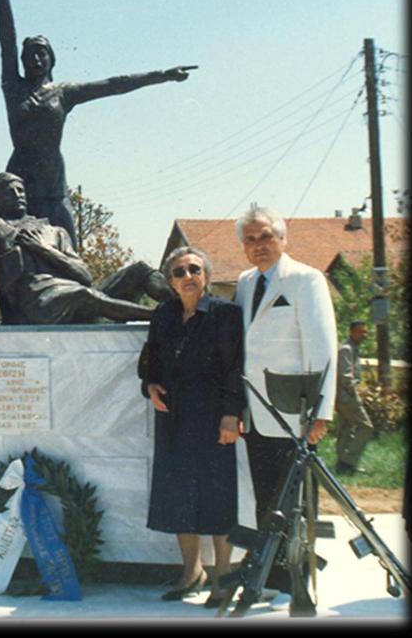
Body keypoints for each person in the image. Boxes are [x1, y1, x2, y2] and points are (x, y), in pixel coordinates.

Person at [0, 0, 193, 249]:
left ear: (51, 59)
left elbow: (115, 84)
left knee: (70, 247)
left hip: (53, 180)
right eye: (29, 54)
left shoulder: (65, 92)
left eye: (41, 52)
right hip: (20, 179)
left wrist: (162, 74)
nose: (35, 59)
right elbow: (6, 37)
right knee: (21, 249)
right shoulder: (13, 87)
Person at [234, 206, 337, 614]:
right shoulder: (243, 283)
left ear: (282, 238)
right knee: (265, 500)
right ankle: (270, 574)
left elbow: (322, 350)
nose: (259, 246)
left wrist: (322, 413)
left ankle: (300, 580)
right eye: (251, 240)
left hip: (295, 414)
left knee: (298, 502)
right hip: (256, 411)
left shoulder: (306, 279)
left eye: (266, 237)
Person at [0, 172, 173, 323]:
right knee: (84, 296)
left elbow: (84, 276)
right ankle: (163, 319)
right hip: (36, 306)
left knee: (141, 269)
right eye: (10, 191)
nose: (18, 194)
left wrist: (41, 249)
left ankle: (183, 309)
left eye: (21, 189)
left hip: (77, 296)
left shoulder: (55, 231)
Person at [141, 247, 244, 606]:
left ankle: (223, 580)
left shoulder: (224, 314)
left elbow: (235, 368)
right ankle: (191, 573)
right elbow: (149, 362)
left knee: (216, 498)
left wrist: (232, 414)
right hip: (172, 418)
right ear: (170, 281)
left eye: (194, 269)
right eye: (179, 271)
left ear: (206, 276)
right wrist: (150, 386)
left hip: (214, 419)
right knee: (178, 499)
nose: (187, 276)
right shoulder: (163, 315)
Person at [334, 321, 374, 475]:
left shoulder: (352, 349)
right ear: (351, 332)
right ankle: (348, 461)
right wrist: (355, 395)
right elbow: (346, 377)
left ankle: (342, 466)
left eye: (365, 332)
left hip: (344, 396)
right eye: (360, 332)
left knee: (346, 429)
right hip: (347, 397)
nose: (363, 335)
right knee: (366, 427)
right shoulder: (346, 349)